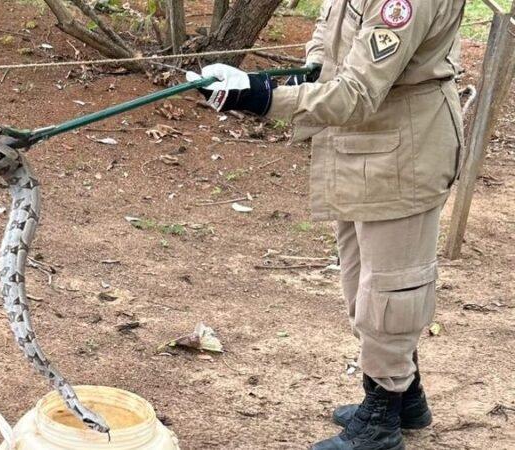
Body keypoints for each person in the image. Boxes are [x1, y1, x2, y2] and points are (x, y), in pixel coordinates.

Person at [187, 0, 466, 449]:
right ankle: (402, 394)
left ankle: (381, 422)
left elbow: (357, 91)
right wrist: (271, 80)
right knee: (362, 285)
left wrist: (261, 99)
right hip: (363, 147)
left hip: (405, 152)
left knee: (392, 291)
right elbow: (328, 48)